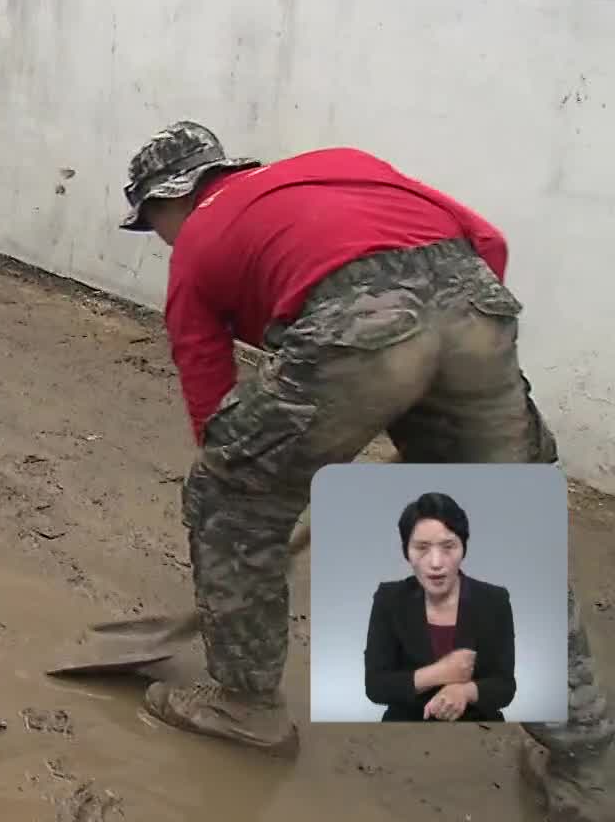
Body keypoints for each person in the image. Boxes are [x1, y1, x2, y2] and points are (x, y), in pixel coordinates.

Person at [121, 121, 611, 819]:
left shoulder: (199, 241)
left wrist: (252, 484)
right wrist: (431, 386)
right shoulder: (337, 165)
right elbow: (485, 244)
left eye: (152, 224)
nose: (160, 238)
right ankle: (583, 764)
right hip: (476, 312)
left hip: (354, 323)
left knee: (229, 502)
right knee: (503, 524)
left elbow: (209, 384)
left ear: (171, 200)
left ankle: (246, 706)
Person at [364, 492, 516, 722]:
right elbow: (375, 686)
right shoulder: (389, 599)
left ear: (463, 549)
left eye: (448, 546)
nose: (436, 563)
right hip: (407, 725)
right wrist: (439, 673)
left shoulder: (494, 600)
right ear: (407, 552)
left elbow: (505, 687)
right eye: (421, 548)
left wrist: (464, 692)